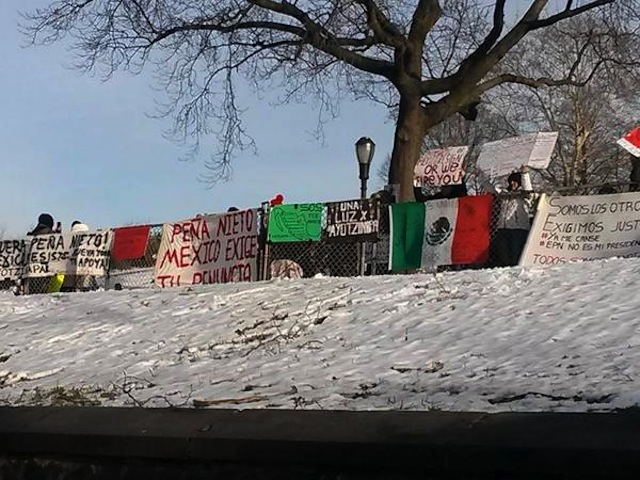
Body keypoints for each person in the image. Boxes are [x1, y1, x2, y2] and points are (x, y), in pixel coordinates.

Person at [489, 166, 534, 267]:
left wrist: (524, 174)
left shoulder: (524, 195)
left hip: (518, 229)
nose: (513, 183)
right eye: (511, 181)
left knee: (516, 256)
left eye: (515, 181)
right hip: (503, 228)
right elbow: (491, 188)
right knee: (504, 257)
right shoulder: (505, 193)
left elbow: (528, 189)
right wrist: (481, 175)